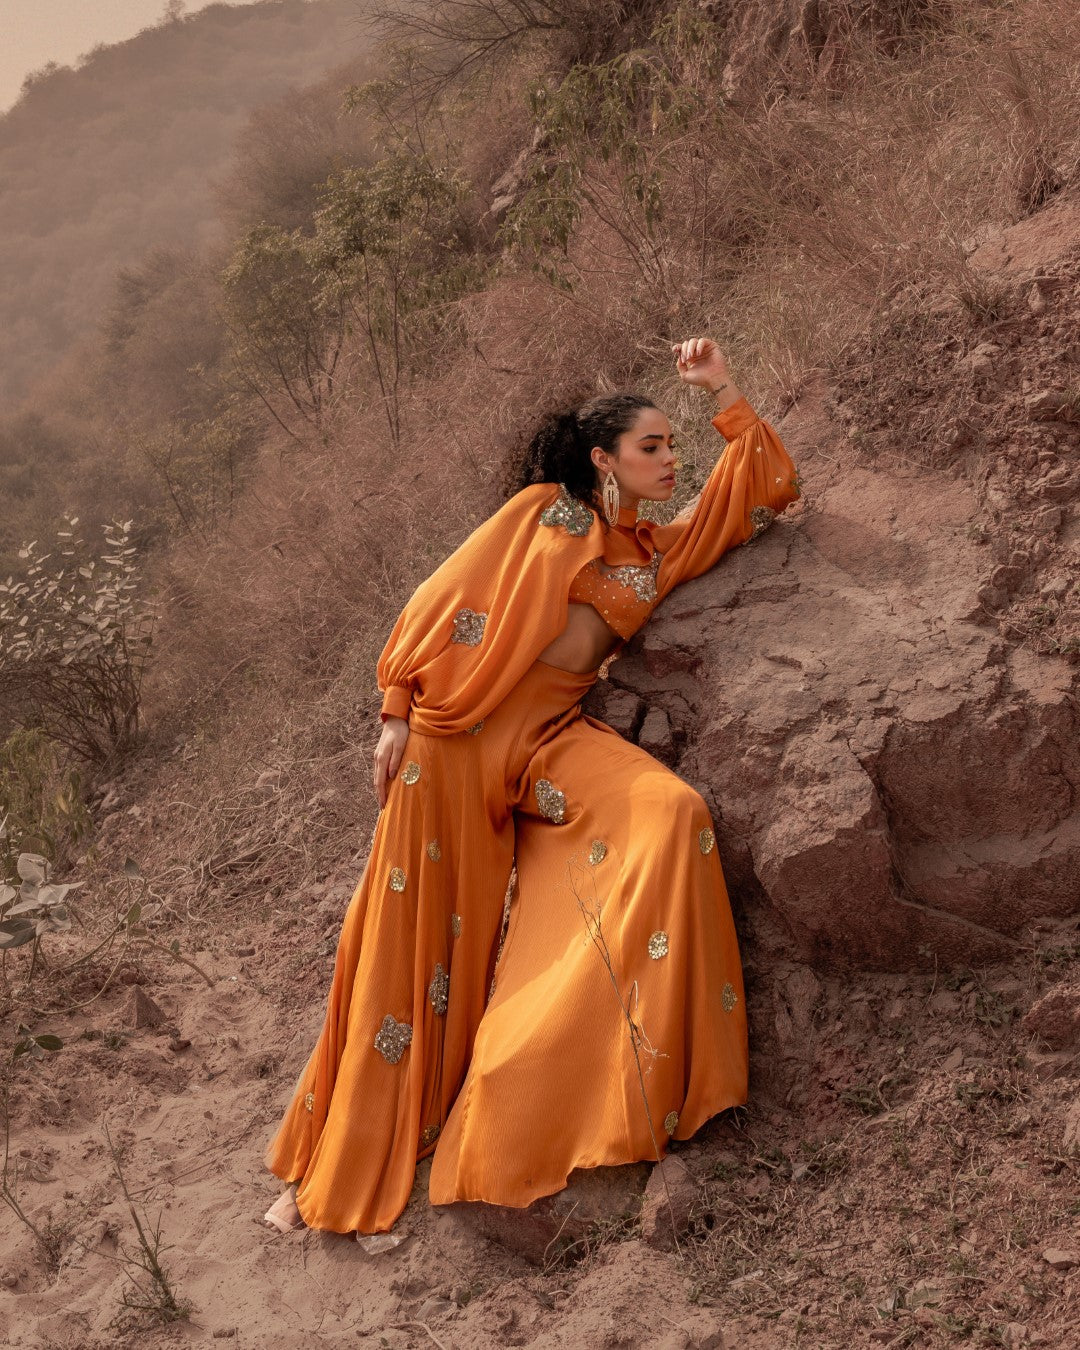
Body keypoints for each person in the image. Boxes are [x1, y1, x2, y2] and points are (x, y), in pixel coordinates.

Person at [262, 336, 801, 1236]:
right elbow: (441, 596)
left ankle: (603, 1079)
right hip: (455, 749)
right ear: (603, 459)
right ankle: (330, 1177)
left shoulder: (651, 549)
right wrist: (395, 703)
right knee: (421, 955)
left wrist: (724, 389)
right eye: (652, 448)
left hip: (548, 745)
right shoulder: (548, 515)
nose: (672, 463)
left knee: (672, 813)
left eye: (675, 446)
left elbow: (766, 487)